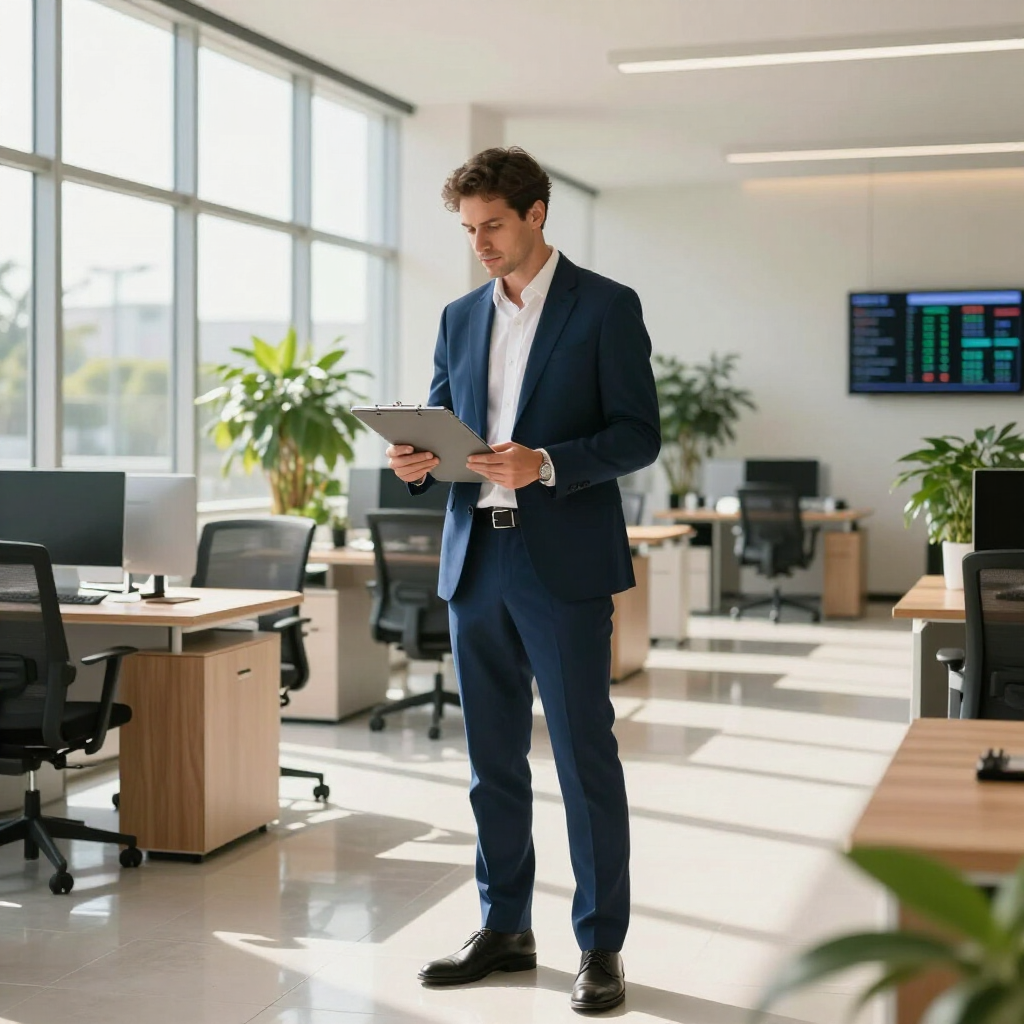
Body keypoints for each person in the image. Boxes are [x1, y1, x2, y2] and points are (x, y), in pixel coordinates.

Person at [386, 146, 660, 1013]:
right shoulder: (460, 316)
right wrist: (417, 460)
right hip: (477, 560)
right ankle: (504, 924)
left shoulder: (606, 308)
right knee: (490, 760)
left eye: (493, 225)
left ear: (536, 214)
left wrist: (545, 462)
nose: (481, 244)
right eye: (469, 230)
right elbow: (446, 419)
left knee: (584, 757)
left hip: (563, 562)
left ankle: (599, 944)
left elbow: (637, 435)